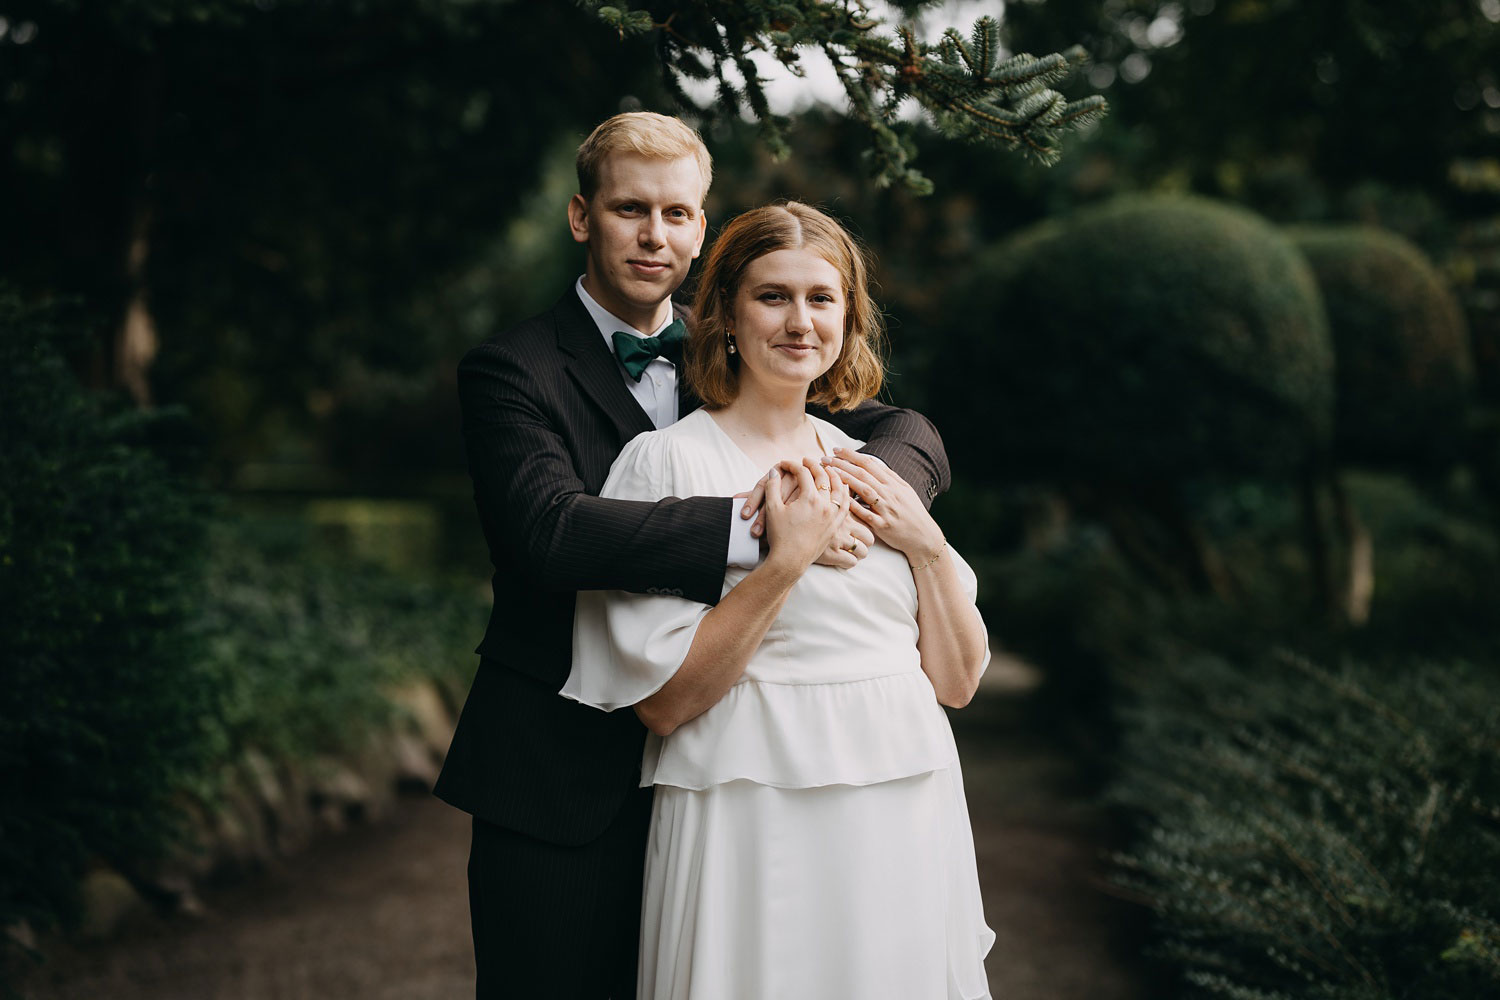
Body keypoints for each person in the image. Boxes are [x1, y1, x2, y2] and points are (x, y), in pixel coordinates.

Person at [433, 112, 953, 1000]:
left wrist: (865, 497)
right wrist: (769, 528)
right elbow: (547, 533)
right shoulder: (514, 370)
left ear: (702, 229)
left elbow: (905, 431)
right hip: (564, 773)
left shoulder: (744, 346)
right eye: (631, 209)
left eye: (677, 214)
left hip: (722, 779)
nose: (654, 235)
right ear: (580, 217)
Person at [563, 201, 994, 999]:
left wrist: (927, 545)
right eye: (773, 297)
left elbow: (959, 684)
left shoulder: (878, 466)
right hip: (749, 814)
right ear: (724, 314)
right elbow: (662, 706)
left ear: (849, 320)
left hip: (906, 803)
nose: (800, 321)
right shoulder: (664, 466)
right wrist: (783, 560)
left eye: (821, 299)